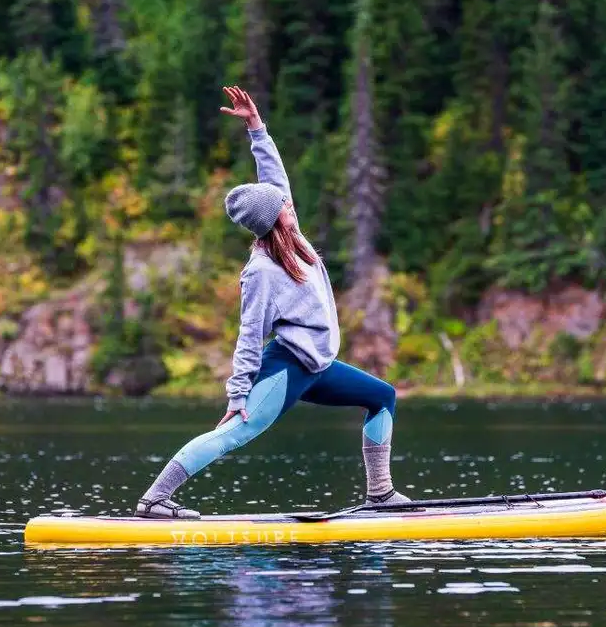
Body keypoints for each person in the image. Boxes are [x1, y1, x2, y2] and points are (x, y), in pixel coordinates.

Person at [134, 86, 411, 520]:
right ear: (272, 218)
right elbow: (250, 332)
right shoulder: (261, 271)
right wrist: (238, 391)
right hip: (288, 367)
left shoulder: (291, 233)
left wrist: (256, 128)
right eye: (282, 203)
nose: (288, 200)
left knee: (382, 396)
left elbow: (274, 177)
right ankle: (153, 501)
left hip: (316, 364)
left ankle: (380, 494)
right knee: (234, 432)